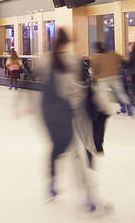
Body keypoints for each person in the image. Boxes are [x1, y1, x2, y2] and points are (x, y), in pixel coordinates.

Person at [38, 29, 104, 210]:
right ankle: (88, 196)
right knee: (73, 152)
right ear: (67, 43)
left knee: (57, 148)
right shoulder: (70, 61)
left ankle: (52, 183)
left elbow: (41, 83)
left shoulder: (46, 59)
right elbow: (72, 90)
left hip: (49, 112)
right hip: (62, 112)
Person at [90, 42, 133, 116]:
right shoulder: (113, 53)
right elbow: (123, 60)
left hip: (103, 78)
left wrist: (95, 76)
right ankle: (129, 109)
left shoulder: (96, 57)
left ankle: (103, 110)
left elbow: (95, 70)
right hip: (115, 76)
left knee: (102, 94)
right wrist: (118, 66)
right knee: (121, 93)